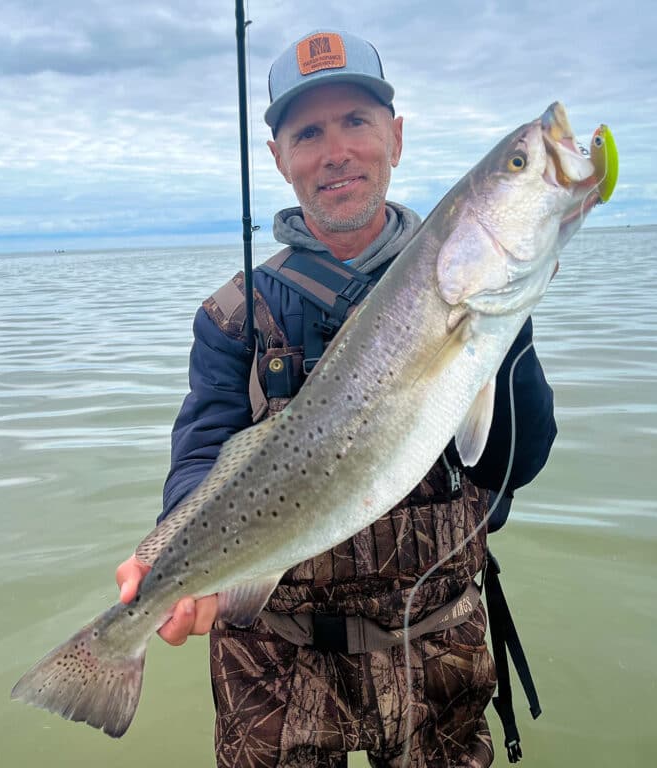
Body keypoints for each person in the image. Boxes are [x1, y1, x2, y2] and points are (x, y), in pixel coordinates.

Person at [116, 29, 556, 768]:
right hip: (272, 664)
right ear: (279, 159)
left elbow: (514, 463)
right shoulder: (232, 316)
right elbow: (201, 457)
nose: (336, 150)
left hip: (436, 647)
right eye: (308, 132)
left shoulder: (470, 282)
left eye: (356, 120)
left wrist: (500, 335)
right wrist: (174, 553)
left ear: (397, 136)